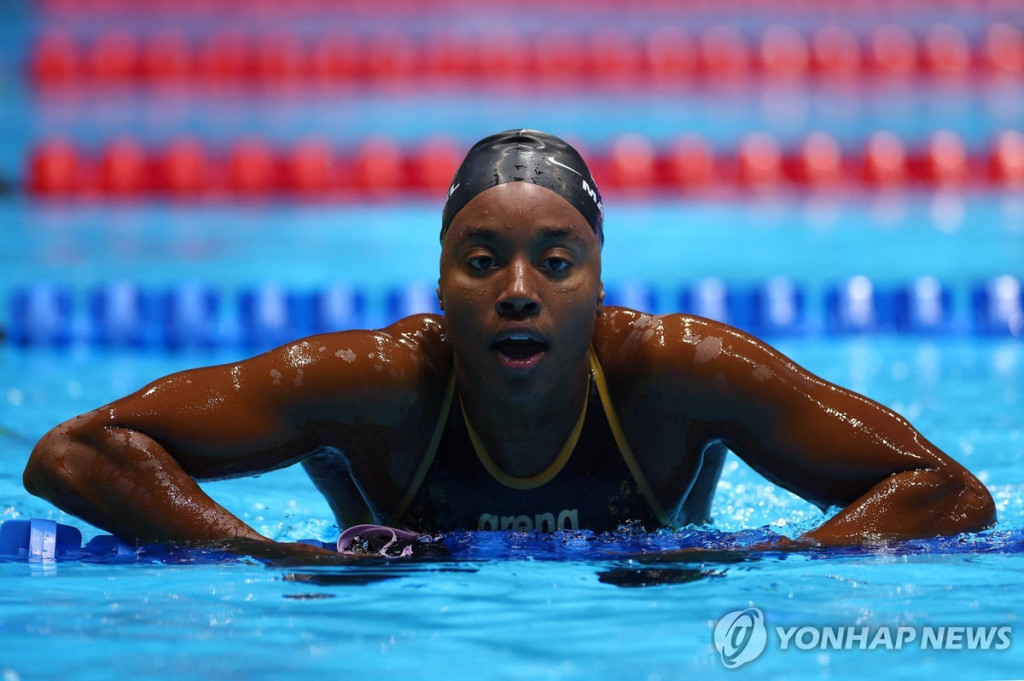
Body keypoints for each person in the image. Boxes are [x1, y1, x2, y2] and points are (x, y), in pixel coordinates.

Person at [23, 130, 995, 555]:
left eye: (556, 264)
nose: (519, 292)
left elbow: (948, 491)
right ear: (438, 288)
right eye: (481, 261)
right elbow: (72, 453)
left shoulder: (678, 372)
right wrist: (273, 560)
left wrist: (783, 557)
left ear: (601, 287)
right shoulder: (372, 386)